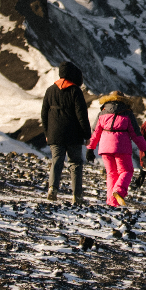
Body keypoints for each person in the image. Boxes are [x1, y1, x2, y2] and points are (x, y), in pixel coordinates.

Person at [40, 61, 91, 204]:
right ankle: (77, 196)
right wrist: (87, 135)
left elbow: (44, 113)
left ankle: (52, 189)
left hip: (55, 134)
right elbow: (82, 115)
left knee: (57, 161)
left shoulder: (50, 90)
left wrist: (47, 132)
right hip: (73, 135)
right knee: (75, 163)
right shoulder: (75, 91)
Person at [86, 92, 146, 208]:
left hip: (105, 147)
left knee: (111, 174)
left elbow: (95, 132)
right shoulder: (127, 113)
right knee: (126, 171)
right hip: (121, 146)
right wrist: (145, 149)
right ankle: (119, 191)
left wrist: (90, 149)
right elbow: (136, 134)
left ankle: (111, 202)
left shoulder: (102, 112)